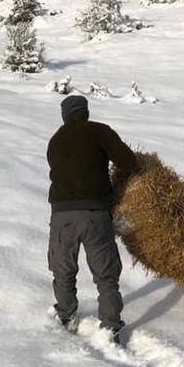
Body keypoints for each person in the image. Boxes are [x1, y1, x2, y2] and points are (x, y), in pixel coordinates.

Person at [47, 95, 137, 344]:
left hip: (62, 215)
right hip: (96, 214)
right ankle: (110, 327)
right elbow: (128, 162)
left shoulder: (55, 140)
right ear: (85, 112)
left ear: (65, 115)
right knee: (106, 274)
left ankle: (66, 316)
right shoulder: (100, 131)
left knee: (63, 270)